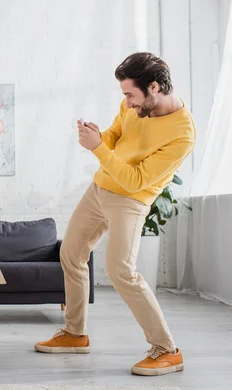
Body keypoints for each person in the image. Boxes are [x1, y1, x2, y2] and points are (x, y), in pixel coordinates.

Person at [34, 52, 195, 377]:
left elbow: (135, 180)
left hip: (131, 200)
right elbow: (115, 135)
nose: (127, 103)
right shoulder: (132, 105)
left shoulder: (182, 134)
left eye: (130, 95)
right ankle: (76, 334)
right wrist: (96, 136)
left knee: (120, 270)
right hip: (100, 189)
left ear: (154, 87)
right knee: (72, 253)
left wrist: (98, 149)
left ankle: (167, 350)